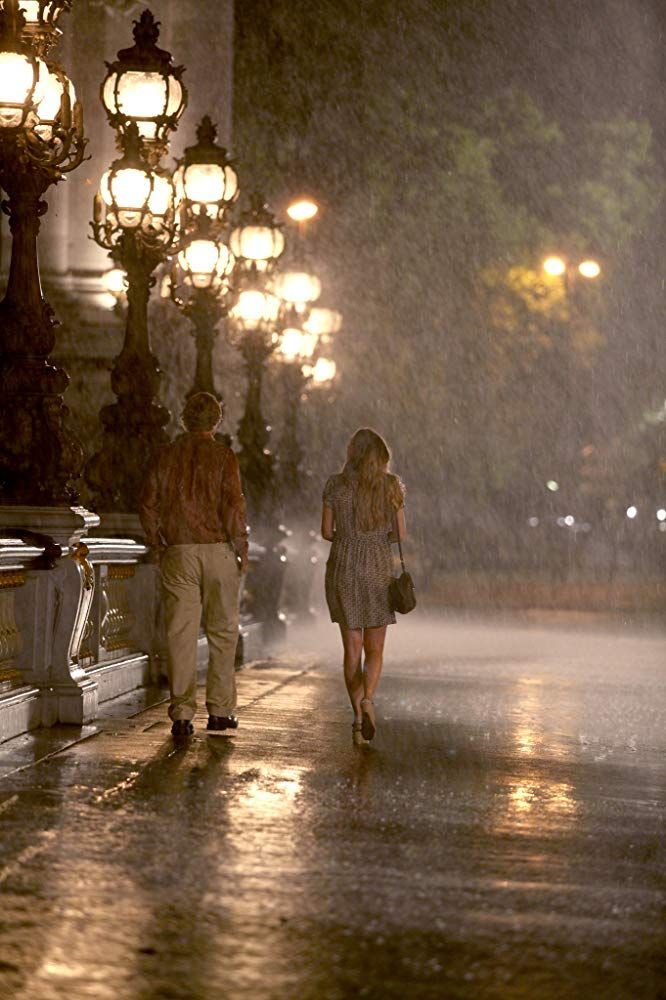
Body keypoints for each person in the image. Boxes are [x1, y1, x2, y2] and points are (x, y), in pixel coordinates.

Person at [140, 392, 249, 738]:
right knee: (222, 633)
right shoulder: (223, 457)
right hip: (217, 550)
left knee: (181, 635)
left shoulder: (167, 456)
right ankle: (219, 712)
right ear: (216, 422)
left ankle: (182, 714)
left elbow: (148, 504)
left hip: (180, 552)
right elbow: (234, 505)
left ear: (183, 419)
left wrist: (157, 544)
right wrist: (241, 546)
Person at [321, 428, 406, 745]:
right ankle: (369, 698)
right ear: (381, 457)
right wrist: (375, 536)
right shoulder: (391, 487)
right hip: (377, 569)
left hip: (344, 566)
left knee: (351, 649)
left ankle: (357, 716)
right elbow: (400, 534)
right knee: (375, 648)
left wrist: (349, 534)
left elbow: (326, 531)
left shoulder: (336, 485)